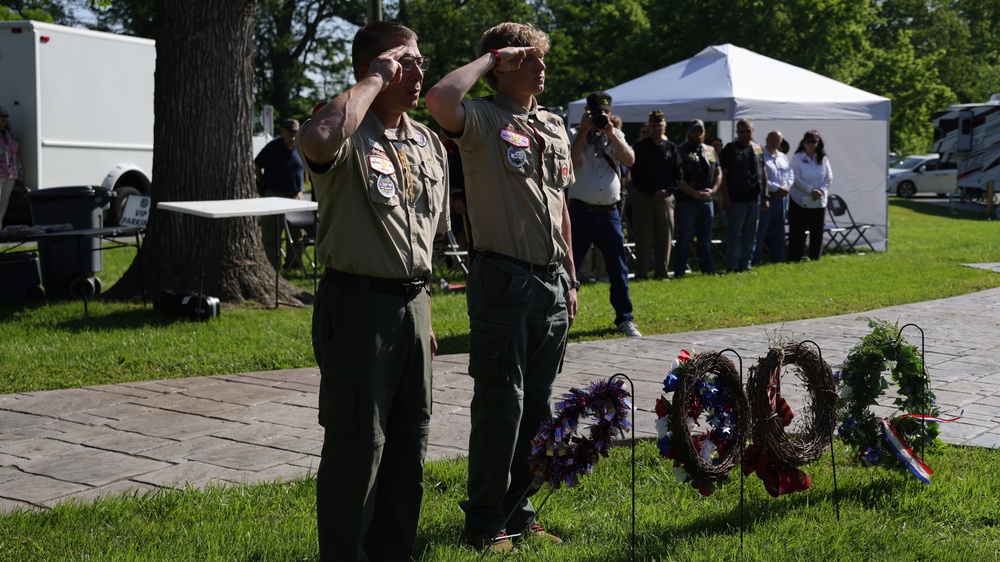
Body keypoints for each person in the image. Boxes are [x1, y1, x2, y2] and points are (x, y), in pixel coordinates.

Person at [296, 21, 450, 561]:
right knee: (358, 447)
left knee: (410, 448)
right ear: (373, 67)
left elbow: (427, 240)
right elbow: (315, 142)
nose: (416, 72)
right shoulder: (342, 128)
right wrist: (373, 79)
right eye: (402, 62)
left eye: (418, 60)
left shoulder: (429, 142)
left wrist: (424, 315)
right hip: (358, 306)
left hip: (413, 306)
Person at [425, 22, 577, 554]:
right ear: (504, 65)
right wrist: (493, 58)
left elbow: (561, 210)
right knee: (500, 404)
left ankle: (521, 513)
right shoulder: (484, 118)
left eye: (540, 57)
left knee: (537, 405)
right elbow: (440, 98)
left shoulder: (554, 125)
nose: (540, 66)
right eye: (528, 58)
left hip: (551, 281)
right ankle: (486, 521)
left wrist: (572, 278)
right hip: (502, 278)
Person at [568, 92, 641, 337]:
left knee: (618, 268)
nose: (601, 116)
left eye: (605, 112)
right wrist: (583, 131)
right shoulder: (573, 134)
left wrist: (610, 132)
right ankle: (561, 317)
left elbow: (630, 160)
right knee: (570, 268)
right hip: (581, 212)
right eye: (597, 112)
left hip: (609, 213)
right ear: (587, 112)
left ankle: (625, 318)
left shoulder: (615, 134)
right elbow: (570, 162)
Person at [629, 110, 676, 279]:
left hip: (665, 198)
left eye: (660, 125)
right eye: (654, 125)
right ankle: (641, 273)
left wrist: (667, 191)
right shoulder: (640, 147)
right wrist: (653, 191)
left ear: (665, 127)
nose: (657, 128)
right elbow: (636, 174)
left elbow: (678, 174)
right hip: (644, 197)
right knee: (643, 238)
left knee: (665, 238)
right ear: (648, 127)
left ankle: (662, 273)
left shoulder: (670, 147)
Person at [255, 117, 305, 269]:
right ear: (282, 131)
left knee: (297, 234)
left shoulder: (299, 146)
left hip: (296, 196)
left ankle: (293, 265)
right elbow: (256, 165)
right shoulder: (273, 147)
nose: (293, 135)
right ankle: (272, 267)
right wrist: (261, 183)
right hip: (274, 196)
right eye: (290, 132)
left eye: (295, 132)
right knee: (272, 235)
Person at [673, 119, 721, 277]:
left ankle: (707, 269)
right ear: (688, 132)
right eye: (694, 131)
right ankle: (679, 271)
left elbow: (718, 173)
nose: (698, 134)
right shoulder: (679, 150)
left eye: (700, 131)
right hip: (687, 202)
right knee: (684, 238)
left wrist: (713, 190)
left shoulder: (710, 150)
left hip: (707, 201)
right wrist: (693, 193)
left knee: (705, 238)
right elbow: (677, 178)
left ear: (704, 133)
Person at [719, 118, 768, 273]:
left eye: (747, 130)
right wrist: (725, 198)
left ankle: (745, 264)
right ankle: (732, 265)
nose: (744, 134)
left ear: (752, 131)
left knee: (750, 234)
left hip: (754, 199)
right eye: (741, 131)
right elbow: (723, 175)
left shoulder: (758, 148)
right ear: (737, 133)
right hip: (736, 200)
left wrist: (765, 196)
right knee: (735, 234)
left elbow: (764, 172)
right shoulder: (730, 148)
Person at [788, 130, 832, 261]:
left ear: (818, 143)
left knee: (817, 230)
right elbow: (795, 178)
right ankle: (795, 257)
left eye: (814, 141)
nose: (811, 144)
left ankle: (815, 256)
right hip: (800, 200)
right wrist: (810, 190)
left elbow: (829, 177)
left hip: (819, 200)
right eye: (808, 141)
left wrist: (820, 190)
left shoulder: (823, 158)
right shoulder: (797, 158)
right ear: (803, 143)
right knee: (798, 230)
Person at [753, 130, 794, 265]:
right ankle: (755, 259)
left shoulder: (783, 157)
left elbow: (790, 174)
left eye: (778, 140)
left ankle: (777, 259)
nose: (775, 142)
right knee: (761, 230)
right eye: (773, 139)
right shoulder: (760, 155)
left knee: (779, 231)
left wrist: (786, 188)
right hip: (767, 197)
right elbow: (760, 177)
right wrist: (777, 189)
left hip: (781, 198)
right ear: (766, 139)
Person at [0, 107, 24, 229]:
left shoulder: (10, 135)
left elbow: (17, 155)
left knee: (3, 206)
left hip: (10, 174)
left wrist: (20, 174)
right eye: (1, 116)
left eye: (6, 116)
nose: (4, 119)